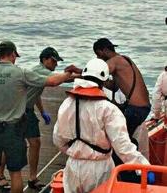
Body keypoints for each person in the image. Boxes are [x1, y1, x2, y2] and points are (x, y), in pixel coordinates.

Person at [0, 40, 75, 193]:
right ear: (12, 54)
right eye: (14, 56)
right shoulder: (21, 73)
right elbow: (52, 81)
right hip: (14, 129)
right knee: (15, 171)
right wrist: (67, 74)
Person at [53, 58, 150, 193]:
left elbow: (58, 139)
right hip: (99, 168)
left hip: (72, 166)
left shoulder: (67, 104)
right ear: (104, 80)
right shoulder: (108, 109)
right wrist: (144, 167)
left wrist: (76, 152)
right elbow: (123, 148)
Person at [93, 38, 151, 138]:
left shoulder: (115, 61)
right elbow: (114, 87)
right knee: (125, 140)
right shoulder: (124, 59)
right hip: (142, 108)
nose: (98, 58)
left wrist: (73, 74)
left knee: (118, 141)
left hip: (135, 109)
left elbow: (95, 73)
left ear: (106, 50)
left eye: (99, 54)